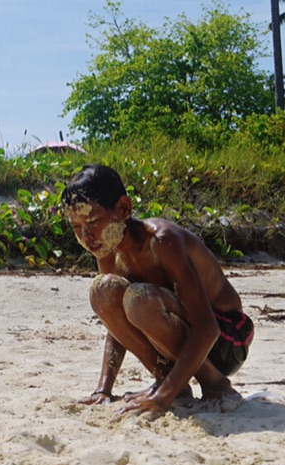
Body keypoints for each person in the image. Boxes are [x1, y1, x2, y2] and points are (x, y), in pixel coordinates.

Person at [61, 163, 253, 417]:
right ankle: (170, 381)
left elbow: (208, 327)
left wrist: (163, 399)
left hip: (226, 341)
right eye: (76, 228)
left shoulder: (162, 241)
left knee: (140, 301)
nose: (87, 236)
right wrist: (103, 389)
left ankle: (215, 385)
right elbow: (114, 323)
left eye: (94, 222)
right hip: (184, 342)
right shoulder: (108, 251)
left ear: (124, 209)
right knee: (103, 291)